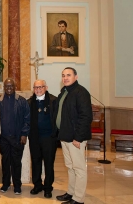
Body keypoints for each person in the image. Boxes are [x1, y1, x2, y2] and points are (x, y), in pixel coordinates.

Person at [53, 67, 92, 204]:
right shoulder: (64, 92)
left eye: (68, 75)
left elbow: (86, 117)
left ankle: (78, 198)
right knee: (70, 167)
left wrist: (78, 137)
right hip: (65, 136)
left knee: (79, 168)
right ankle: (71, 192)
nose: (65, 78)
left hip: (75, 138)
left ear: (76, 76)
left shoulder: (81, 92)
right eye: (63, 75)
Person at [0, 78, 30, 195]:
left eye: (11, 86)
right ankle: (5, 184)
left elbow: (27, 118)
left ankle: (17, 185)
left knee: (16, 162)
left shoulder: (22, 101)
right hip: (3, 138)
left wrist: (24, 134)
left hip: (17, 138)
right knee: (5, 162)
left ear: (15, 87)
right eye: (7, 86)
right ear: (4, 87)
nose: (9, 88)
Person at [27, 80, 57, 199]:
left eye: (40, 87)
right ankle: (37, 185)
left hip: (49, 137)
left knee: (49, 163)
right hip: (34, 137)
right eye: (36, 87)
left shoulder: (53, 101)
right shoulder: (29, 102)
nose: (38, 89)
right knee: (35, 161)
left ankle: (48, 187)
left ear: (46, 87)